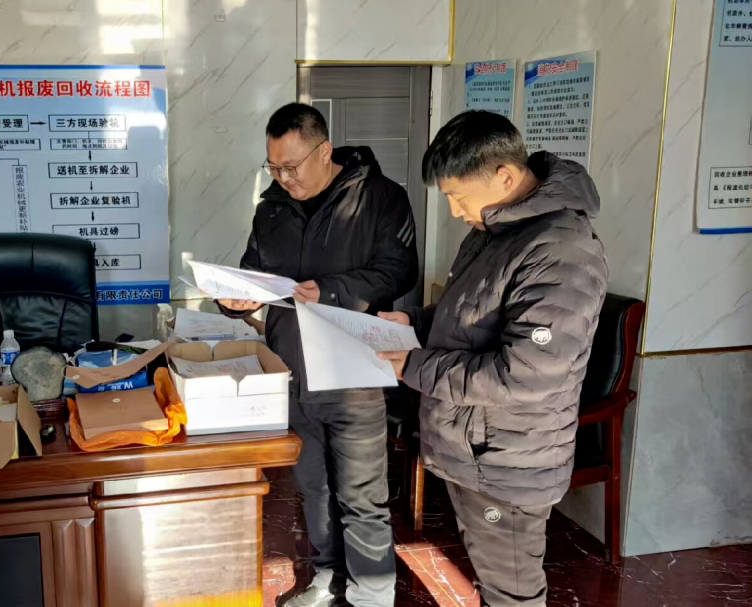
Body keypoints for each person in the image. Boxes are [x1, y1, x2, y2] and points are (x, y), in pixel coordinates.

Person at [377, 110, 608, 607]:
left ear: (503, 176)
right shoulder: (496, 228)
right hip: (477, 447)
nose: (454, 210)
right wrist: (413, 322)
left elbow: (523, 375)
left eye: (458, 195)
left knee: (512, 592)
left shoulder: (560, 249)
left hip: (507, 460)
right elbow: (468, 311)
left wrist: (411, 366)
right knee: (493, 578)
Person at [219, 103, 418, 607]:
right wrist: (236, 298)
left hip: (355, 373)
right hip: (292, 370)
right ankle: (328, 579)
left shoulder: (381, 197)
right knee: (313, 488)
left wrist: (330, 291)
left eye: (291, 166)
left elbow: (399, 270)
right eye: (274, 168)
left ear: (324, 150)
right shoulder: (270, 209)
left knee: (362, 495)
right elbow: (254, 272)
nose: (284, 179)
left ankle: (372, 595)